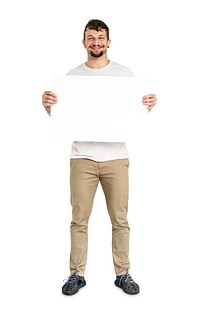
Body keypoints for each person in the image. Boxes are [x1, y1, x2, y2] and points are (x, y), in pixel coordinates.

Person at [42, 19, 157, 296]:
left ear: (109, 41)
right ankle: (76, 274)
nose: (96, 42)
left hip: (116, 157)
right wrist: (48, 107)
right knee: (79, 219)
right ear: (84, 43)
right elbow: (61, 117)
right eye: (91, 38)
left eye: (101, 37)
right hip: (82, 157)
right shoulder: (72, 76)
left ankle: (123, 273)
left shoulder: (124, 74)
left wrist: (149, 106)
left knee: (120, 219)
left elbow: (133, 114)